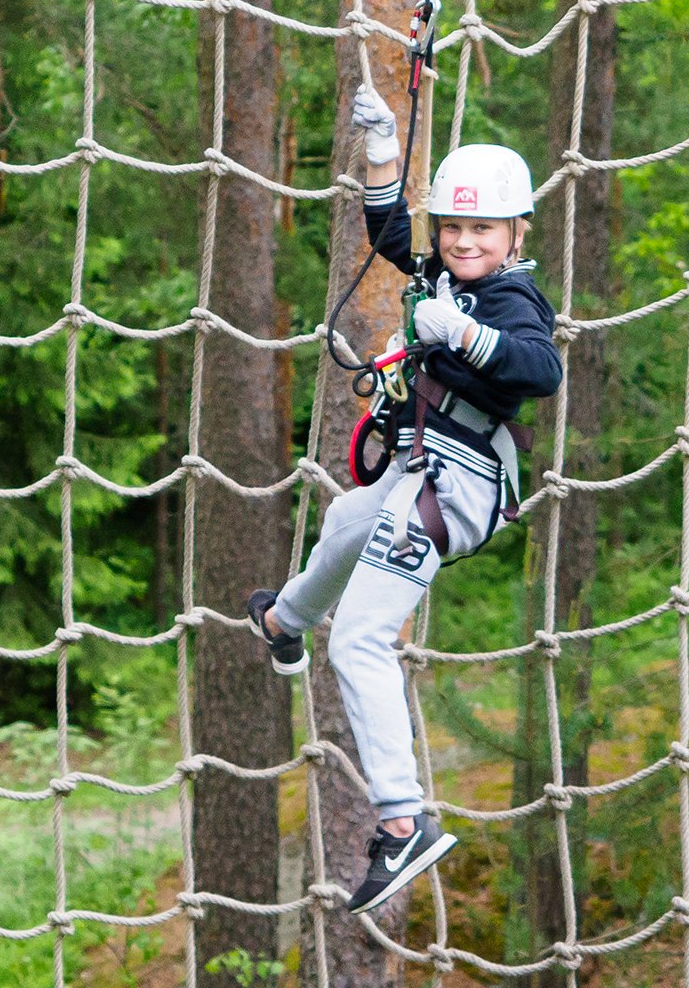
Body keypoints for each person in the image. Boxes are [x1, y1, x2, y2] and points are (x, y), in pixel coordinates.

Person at [247, 85, 563, 915]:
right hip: (418, 469)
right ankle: (284, 623)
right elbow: (391, 236)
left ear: (514, 235)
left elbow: (541, 369)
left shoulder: (509, 298)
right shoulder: (443, 268)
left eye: (480, 230)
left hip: (454, 486)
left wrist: (461, 335)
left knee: (360, 642)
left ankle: (400, 822)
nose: (461, 242)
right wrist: (384, 155)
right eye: (453, 227)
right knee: (345, 521)